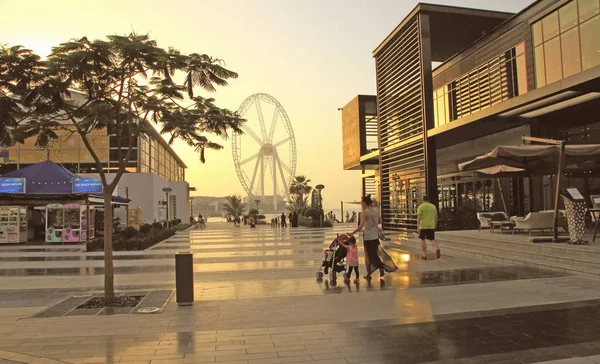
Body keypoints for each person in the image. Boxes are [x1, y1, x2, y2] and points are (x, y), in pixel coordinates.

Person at [349, 195, 395, 280]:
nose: (361, 204)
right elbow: (380, 221)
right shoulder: (376, 210)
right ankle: (377, 269)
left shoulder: (365, 212)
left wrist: (352, 233)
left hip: (368, 237)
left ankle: (371, 273)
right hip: (375, 235)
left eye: (362, 203)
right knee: (375, 253)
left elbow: (361, 225)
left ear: (365, 203)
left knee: (368, 256)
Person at [417, 195, 441, 260]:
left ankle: (424, 254)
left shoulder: (420, 207)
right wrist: (435, 224)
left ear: (422, 199)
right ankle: (437, 248)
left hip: (423, 226)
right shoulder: (433, 206)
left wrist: (418, 226)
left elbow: (419, 217)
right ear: (428, 199)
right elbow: (436, 217)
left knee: (423, 239)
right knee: (432, 239)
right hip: (431, 225)